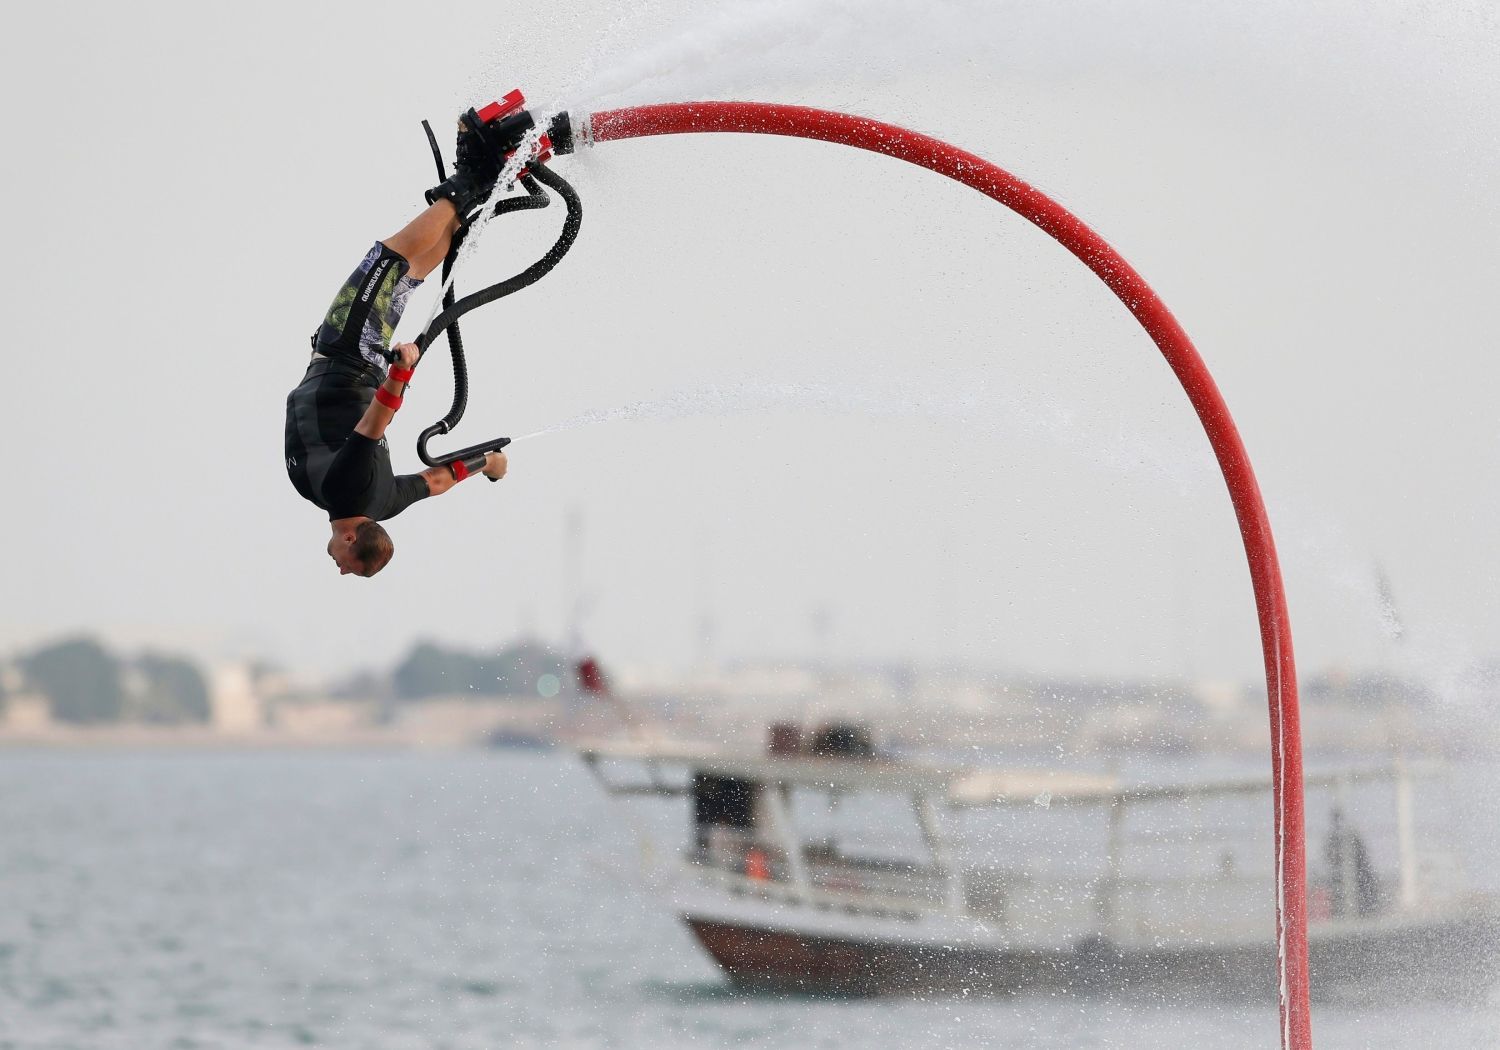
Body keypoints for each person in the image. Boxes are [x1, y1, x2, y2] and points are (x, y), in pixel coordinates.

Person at [284, 104, 517, 577]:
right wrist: (402, 374)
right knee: (389, 260)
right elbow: (374, 424)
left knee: (407, 273)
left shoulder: (385, 504)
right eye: (350, 566)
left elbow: (436, 481)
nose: (341, 569)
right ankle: (471, 182)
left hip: (353, 359)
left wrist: (487, 462)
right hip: (348, 353)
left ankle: (477, 185)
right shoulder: (344, 491)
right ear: (352, 538)